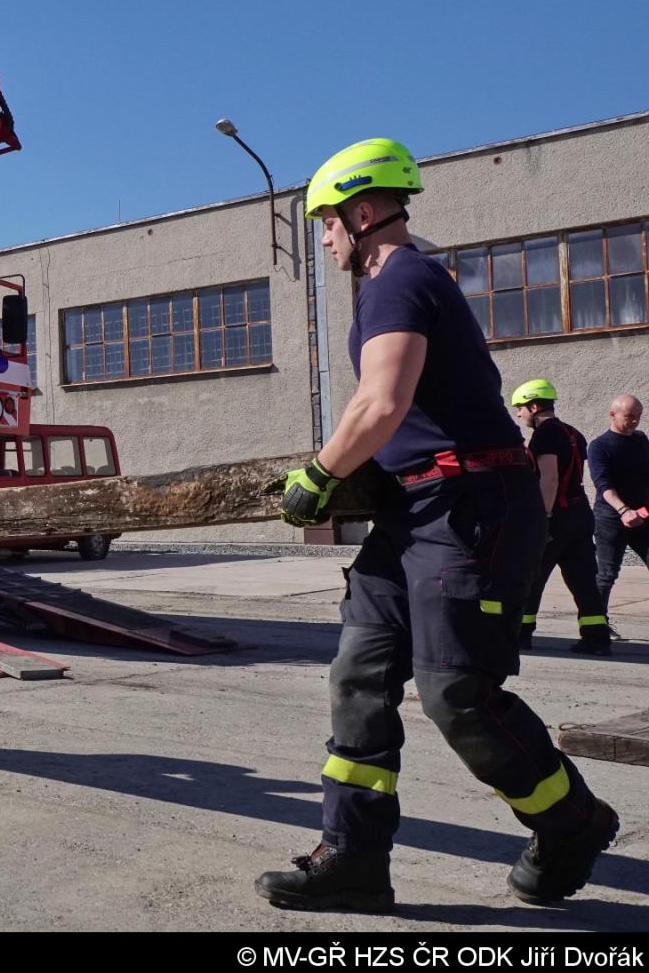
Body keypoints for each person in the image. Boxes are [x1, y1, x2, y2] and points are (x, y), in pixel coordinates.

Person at [255, 139, 617, 912]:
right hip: (413, 511)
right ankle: (351, 856)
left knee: (457, 692)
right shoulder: (395, 284)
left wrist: (317, 477)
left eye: (326, 224)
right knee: (358, 675)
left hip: (469, 509)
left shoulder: (402, 276)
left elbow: (380, 404)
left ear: (361, 211)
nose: (324, 240)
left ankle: (571, 823)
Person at [509, 379, 611, 655]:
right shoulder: (573, 433)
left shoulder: (545, 435)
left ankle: (520, 634)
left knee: (531, 575)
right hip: (580, 515)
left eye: (520, 408)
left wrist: (543, 517)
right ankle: (596, 637)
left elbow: (549, 478)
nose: (519, 414)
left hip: (557, 516)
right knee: (584, 580)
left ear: (533, 405)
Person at [588, 393, 649, 615]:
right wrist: (624, 510)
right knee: (606, 574)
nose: (635, 421)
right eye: (630, 416)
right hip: (611, 518)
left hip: (642, 516)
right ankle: (596, 626)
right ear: (612, 415)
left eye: (639, 416)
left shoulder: (641, 440)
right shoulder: (599, 446)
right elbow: (603, 485)